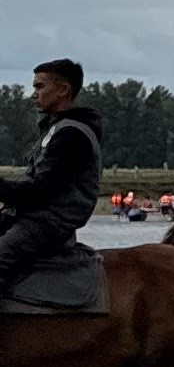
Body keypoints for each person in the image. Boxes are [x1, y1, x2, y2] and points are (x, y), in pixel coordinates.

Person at [0, 58, 104, 301]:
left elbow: (41, 190)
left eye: (40, 87)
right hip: (36, 216)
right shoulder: (57, 129)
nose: (34, 94)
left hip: (48, 222)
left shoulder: (70, 134)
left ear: (63, 90)